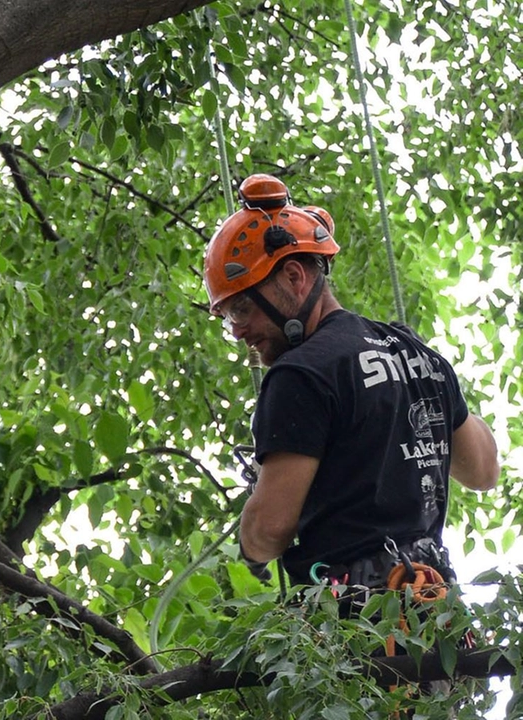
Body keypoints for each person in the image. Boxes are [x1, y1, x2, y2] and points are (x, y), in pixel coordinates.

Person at [203, 174, 500, 593]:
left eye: (243, 308)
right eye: (229, 316)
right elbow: (484, 470)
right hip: (438, 620)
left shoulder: (301, 375)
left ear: (293, 277)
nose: (238, 330)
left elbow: (269, 530)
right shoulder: (417, 355)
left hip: (356, 628)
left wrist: (251, 533)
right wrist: (433, 379)